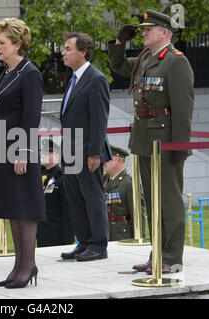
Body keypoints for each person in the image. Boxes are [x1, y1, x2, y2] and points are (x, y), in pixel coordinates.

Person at [108, 9, 194, 274]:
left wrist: (180, 146)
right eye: (143, 29)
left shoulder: (175, 61)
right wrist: (119, 44)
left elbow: (183, 108)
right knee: (153, 202)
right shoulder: (146, 57)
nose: (143, 33)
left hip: (165, 142)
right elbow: (119, 67)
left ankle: (172, 257)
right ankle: (157, 254)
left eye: (148, 29)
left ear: (164, 33)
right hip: (144, 141)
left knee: (168, 201)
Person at [0, 17, 45, 289]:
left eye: (2, 43)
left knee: (25, 207)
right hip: (3, 148)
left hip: (19, 149)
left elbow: (31, 116)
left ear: (17, 44)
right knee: (13, 207)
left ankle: (27, 266)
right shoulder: (8, 72)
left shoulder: (30, 72)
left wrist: (22, 152)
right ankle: (19, 265)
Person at [59, 32, 112, 262]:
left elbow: (100, 119)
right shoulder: (73, 79)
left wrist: (95, 152)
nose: (63, 53)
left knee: (92, 196)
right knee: (75, 199)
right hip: (71, 148)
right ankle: (85, 241)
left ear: (83, 51)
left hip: (87, 150)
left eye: (68, 48)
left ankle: (99, 245)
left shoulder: (96, 78)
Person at [37, 138, 75, 247]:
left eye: (47, 153)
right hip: (41, 233)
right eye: (42, 152)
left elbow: (67, 210)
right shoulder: (39, 175)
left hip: (57, 235)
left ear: (56, 156)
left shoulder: (61, 177)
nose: (42, 155)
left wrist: (68, 239)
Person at [103, 145, 140, 241]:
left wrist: (139, 238)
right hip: (105, 233)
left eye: (108, 159)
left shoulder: (129, 182)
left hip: (122, 235)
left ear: (119, 161)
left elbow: (137, 216)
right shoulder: (104, 181)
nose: (104, 161)